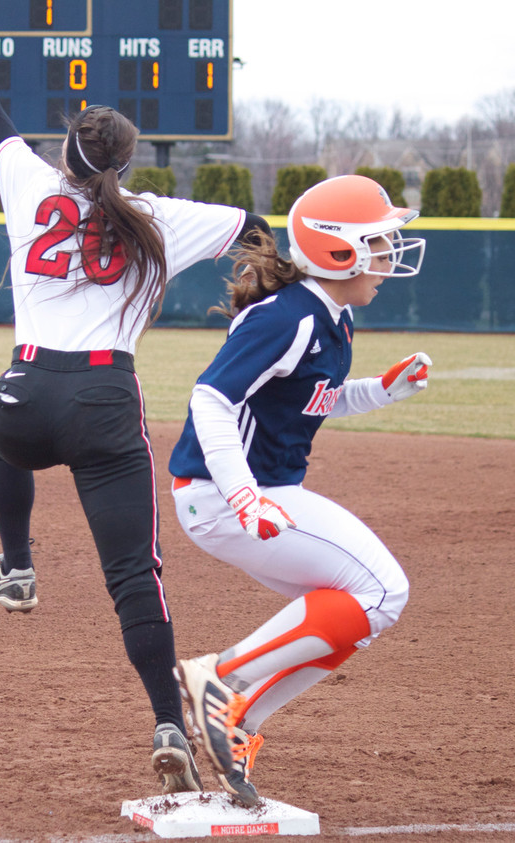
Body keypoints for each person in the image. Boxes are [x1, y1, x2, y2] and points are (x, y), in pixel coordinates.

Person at [0, 0, 271, 794]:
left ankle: (16, 565)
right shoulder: (160, 219)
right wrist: (260, 295)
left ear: (66, 151)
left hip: (27, 391)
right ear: (123, 163)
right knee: (133, 575)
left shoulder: (25, 179)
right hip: (106, 400)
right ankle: (167, 721)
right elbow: (255, 226)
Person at [168, 174, 430, 807]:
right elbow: (210, 398)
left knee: (355, 614)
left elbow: (312, 400)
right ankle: (220, 679)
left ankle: (239, 721)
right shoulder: (287, 316)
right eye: (379, 242)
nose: (390, 256)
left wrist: (381, 391)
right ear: (339, 252)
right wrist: (243, 495)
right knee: (383, 590)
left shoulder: (327, 317)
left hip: (250, 493)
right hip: (225, 493)